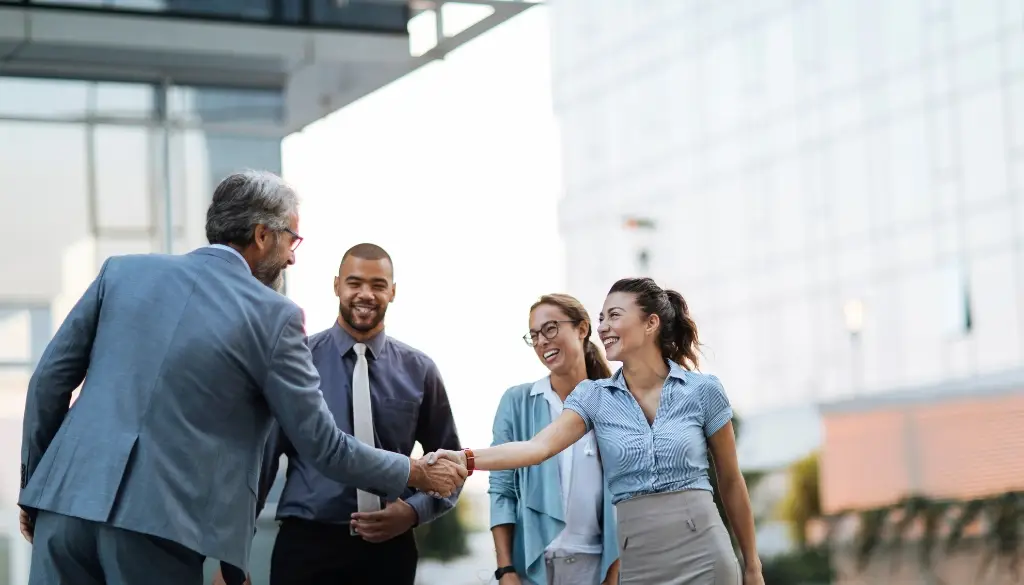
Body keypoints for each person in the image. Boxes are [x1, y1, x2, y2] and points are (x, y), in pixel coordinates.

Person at [17, 170, 466, 585]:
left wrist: (33, 488)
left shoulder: (122, 272)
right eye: (293, 239)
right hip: (159, 526)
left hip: (63, 508)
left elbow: (48, 383)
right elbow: (322, 445)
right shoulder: (275, 317)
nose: (292, 256)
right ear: (262, 235)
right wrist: (414, 471)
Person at [430, 277, 764, 585]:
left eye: (614, 316)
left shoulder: (703, 390)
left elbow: (732, 481)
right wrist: (465, 458)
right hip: (639, 561)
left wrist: (752, 565)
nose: (603, 328)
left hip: (705, 552)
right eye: (601, 319)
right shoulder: (594, 397)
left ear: (651, 323)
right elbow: (536, 448)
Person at [218, 243, 463, 585]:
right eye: (354, 283)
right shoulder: (296, 361)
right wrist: (231, 557)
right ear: (337, 286)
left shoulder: (420, 370)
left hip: (390, 550)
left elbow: (453, 466)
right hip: (306, 546)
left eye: (378, 285)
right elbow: (260, 463)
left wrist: (411, 512)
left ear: (392, 292)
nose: (366, 294)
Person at [490, 294, 620, 585]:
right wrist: (505, 570)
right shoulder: (517, 401)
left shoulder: (615, 402)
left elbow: (627, 494)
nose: (542, 341)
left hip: (596, 566)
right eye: (534, 335)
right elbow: (502, 490)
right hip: (531, 568)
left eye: (550, 329)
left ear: (582, 328)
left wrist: (614, 572)